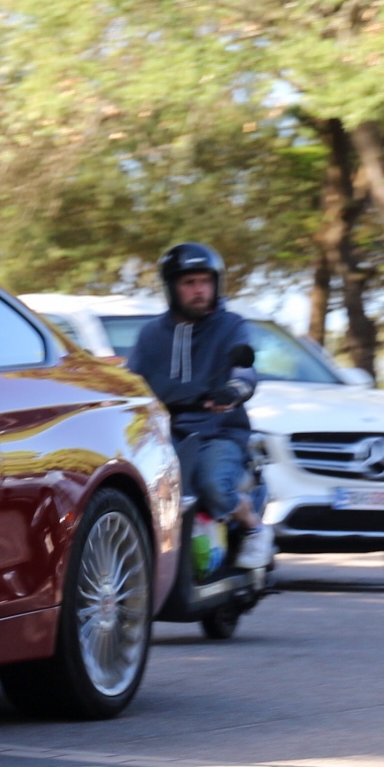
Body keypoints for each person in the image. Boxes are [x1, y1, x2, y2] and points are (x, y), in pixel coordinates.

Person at [124, 243, 271, 568]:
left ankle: (255, 528)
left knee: (213, 487)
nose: (199, 290)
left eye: (205, 281)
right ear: (172, 287)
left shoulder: (231, 325)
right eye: (189, 283)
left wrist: (233, 389)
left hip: (218, 431)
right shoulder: (151, 335)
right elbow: (132, 381)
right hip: (167, 435)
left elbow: (244, 365)